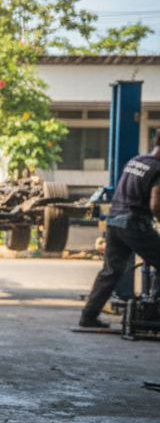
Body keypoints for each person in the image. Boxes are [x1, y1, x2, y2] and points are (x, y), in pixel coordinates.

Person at [80, 129, 160, 328]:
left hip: (114, 220)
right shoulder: (158, 169)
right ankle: (155, 314)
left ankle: (88, 316)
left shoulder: (136, 161)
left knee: (111, 271)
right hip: (134, 223)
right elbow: (155, 204)